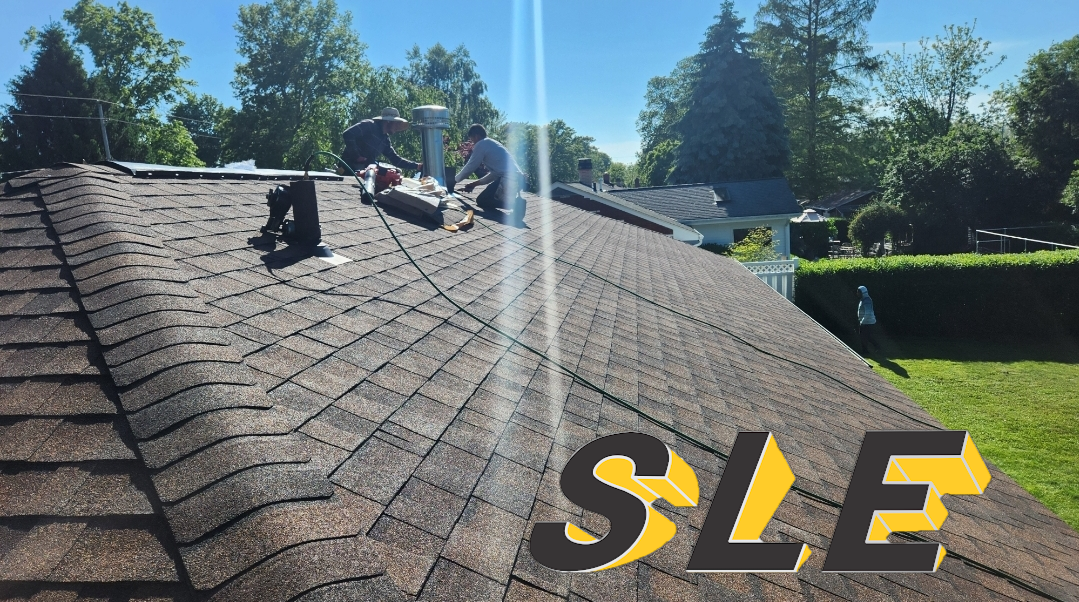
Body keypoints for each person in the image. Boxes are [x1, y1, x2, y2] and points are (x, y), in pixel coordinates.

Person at [455, 124, 526, 221]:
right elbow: (494, 174)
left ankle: (515, 205)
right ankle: (514, 203)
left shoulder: (481, 144)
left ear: (476, 136)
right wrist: (474, 184)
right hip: (518, 180)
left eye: (472, 139)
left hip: (508, 180)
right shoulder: (492, 144)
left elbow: (471, 166)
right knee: (484, 200)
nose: (472, 143)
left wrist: (454, 180)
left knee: (482, 200)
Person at [341, 107, 422, 173]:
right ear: (388, 121)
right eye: (396, 123)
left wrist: (416, 166)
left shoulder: (385, 139)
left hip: (364, 173)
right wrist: (356, 156)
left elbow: (395, 159)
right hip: (347, 168)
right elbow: (348, 134)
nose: (397, 127)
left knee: (394, 173)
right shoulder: (369, 125)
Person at [857, 285, 879, 355]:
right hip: (864, 322)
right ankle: (868, 349)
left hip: (868, 322)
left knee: (865, 336)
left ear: (862, 293)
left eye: (858, 292)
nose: (857, 293)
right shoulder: (863, 299)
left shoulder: (867, 300)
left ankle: (867, 350)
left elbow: (868, 312)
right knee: (865, 336)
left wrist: (863, 321)